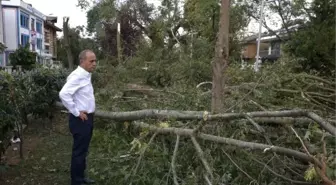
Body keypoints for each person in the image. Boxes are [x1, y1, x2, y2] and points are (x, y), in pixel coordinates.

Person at [59, 49, 97, 185]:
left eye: (95, 61)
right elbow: (63, 94)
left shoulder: (85, 75)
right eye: (91, 61)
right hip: (80, 120)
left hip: (87, 119)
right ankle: (76, 181)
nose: (94, 63)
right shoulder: (77, 76)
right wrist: (76, 112)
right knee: (79, 152)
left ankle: (81, 177)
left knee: (83, 150)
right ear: (82, 61)